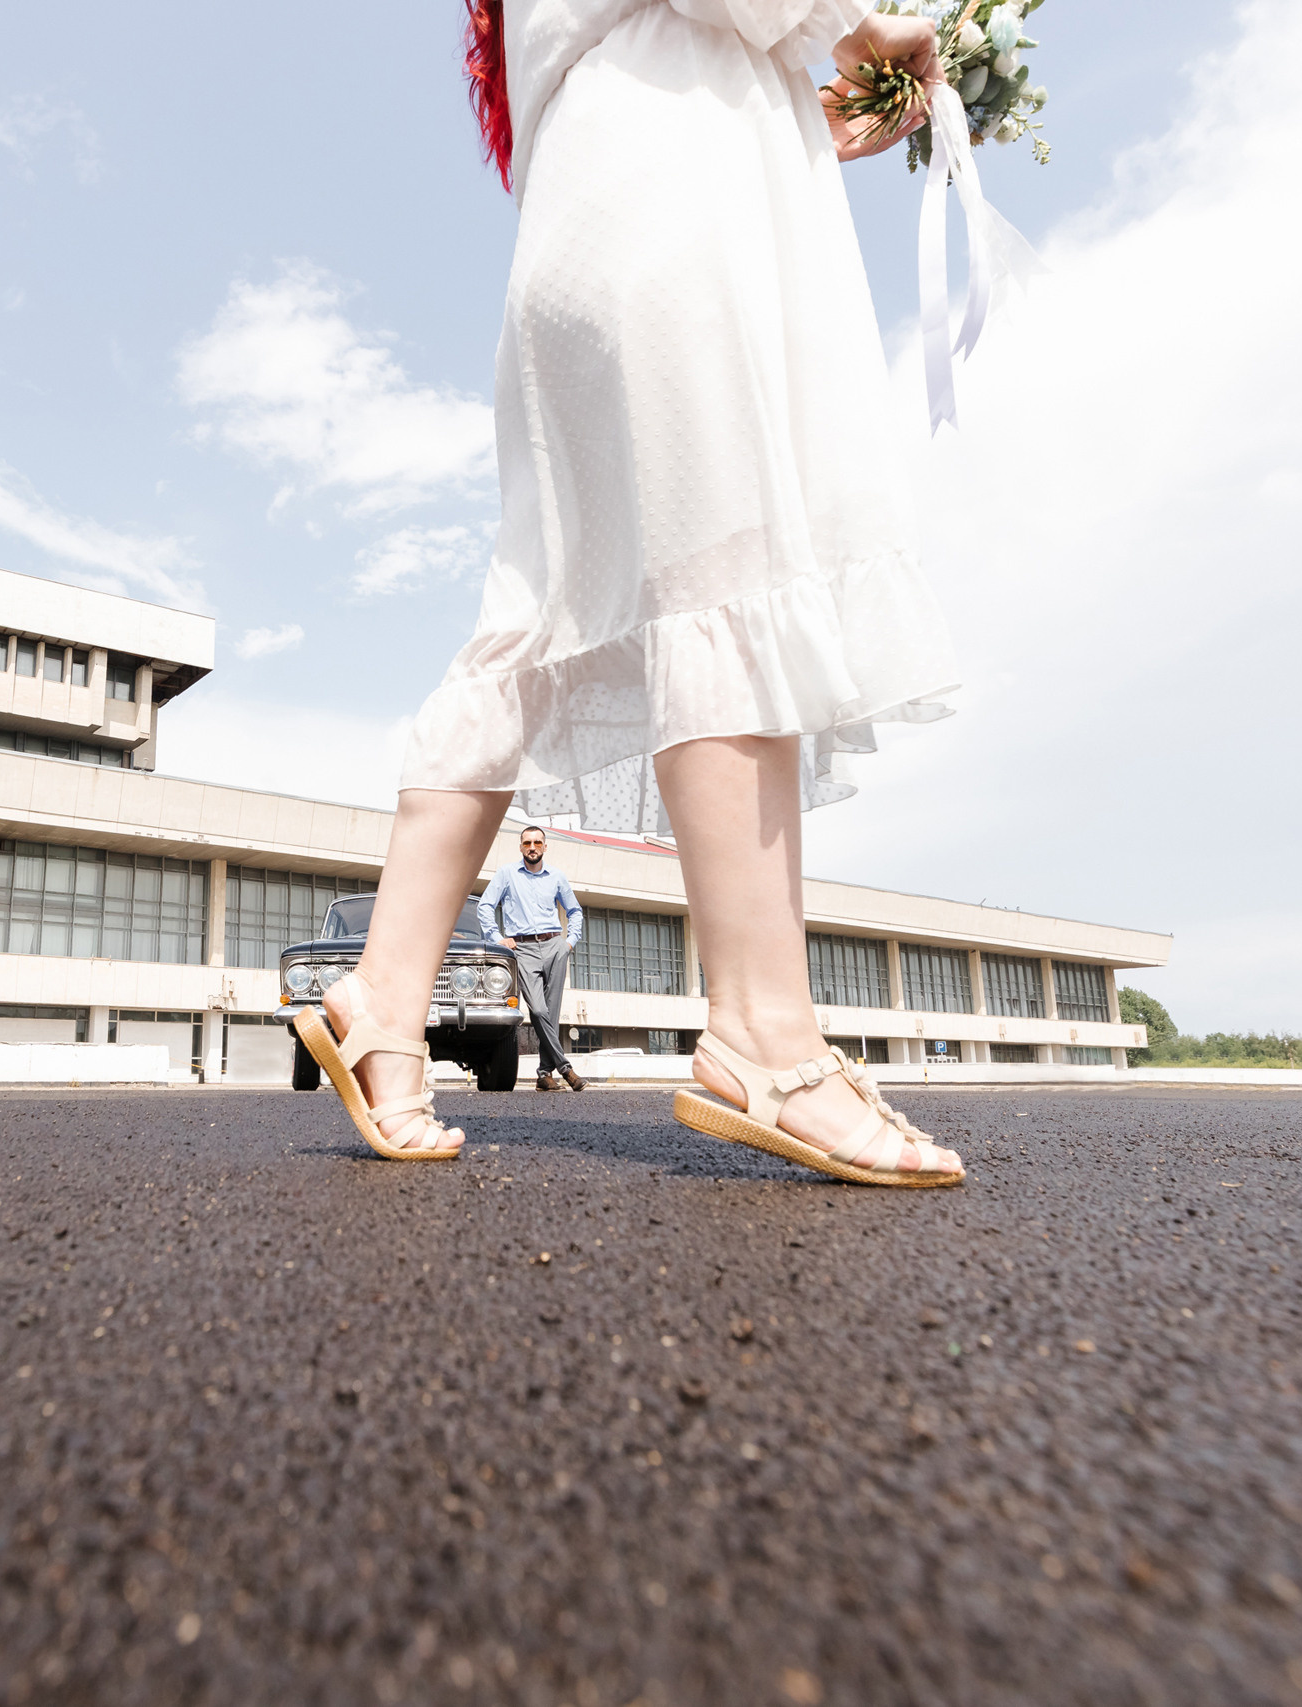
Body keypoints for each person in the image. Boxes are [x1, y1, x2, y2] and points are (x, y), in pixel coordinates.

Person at [292, 0, 966, 1185]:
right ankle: (763, 1029)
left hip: (596, 185)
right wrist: (864, 24)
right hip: (669, 180)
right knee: (723, 559)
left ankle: (383, 994)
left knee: (540, 608)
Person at [478, 825, 591, 1093]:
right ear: (520, 847)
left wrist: (569, 942)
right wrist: (497, 937)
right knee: (538, 1010)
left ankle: (544, 1074)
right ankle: (565, 1068)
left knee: (550, 1015)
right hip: (523, 948)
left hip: (555, 946)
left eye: (537, 843)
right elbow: (485, 906)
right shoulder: (507, 874)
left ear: (544, 847)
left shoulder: (557, 877)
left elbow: (575, 911)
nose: (532, 847)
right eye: (527, 843)